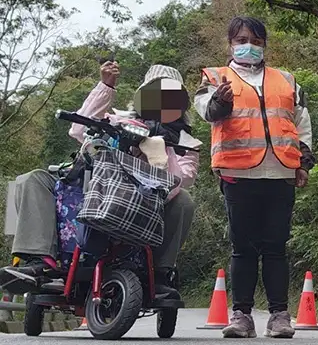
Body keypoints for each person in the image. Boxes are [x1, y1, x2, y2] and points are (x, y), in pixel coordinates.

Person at [0, 63, 199, 297]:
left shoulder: (187, 143)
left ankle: (160, 272)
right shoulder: (118, 121)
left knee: (184, 200)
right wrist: (106, 87)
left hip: (143, 204)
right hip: (94, 187)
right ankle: (37, 261)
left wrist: (160, 152)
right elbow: (78, 129)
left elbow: (182, 180)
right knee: (32, 179)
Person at [194, 16, 315, 339]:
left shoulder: (286, 80)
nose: (250, 46)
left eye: (257, 41)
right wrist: (220, 100)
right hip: (237, 172)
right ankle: (242, 315)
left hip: (280, 171)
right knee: (242, 247)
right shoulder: (215, 77)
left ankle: (279, 316)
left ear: (265, 45)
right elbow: (206, 110)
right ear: (230, 44)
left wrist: (303, 162)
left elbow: (301, 122)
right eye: (243, 40)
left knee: (276, 246)